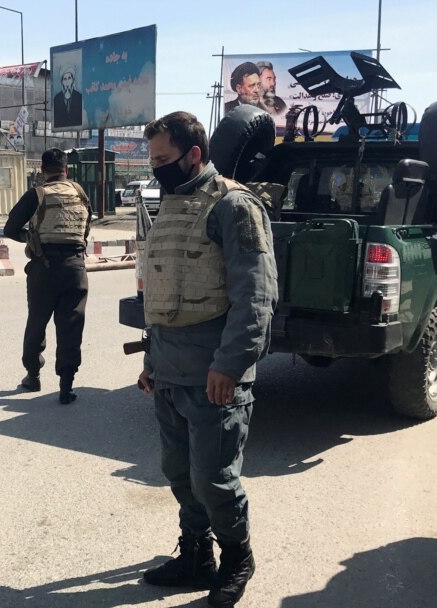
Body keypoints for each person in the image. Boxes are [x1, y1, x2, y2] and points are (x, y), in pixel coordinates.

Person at [137, 111, 278, 608]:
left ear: (194, 154)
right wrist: (151, 360)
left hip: (214, 373)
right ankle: (196, 556)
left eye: (163, 159)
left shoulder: (235, 206)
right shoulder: (173, 205)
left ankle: (237, 557)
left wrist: (231, 364)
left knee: (214, 480)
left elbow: (256, 296)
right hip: (171, 370)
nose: (155, 169)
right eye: (151, 159)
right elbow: (162, 291)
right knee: (179, 473)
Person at [3, 148, 91, 404]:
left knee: (37, 322)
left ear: (43, 171)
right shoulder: (80, 193)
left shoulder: (37, 194)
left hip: (44, 267)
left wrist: (29, 237)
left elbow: (10, 228)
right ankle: (66, 386)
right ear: (66, 170)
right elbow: (86, 227)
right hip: (75, 268)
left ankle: (33, 375)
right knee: (71, 326)